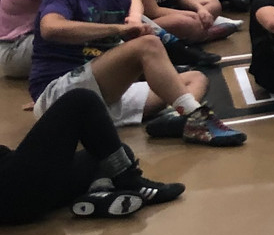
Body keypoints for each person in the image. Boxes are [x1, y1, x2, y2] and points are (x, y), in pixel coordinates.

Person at [31, 0, 242, 144]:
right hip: (60, 95)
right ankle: (196, 119)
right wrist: (118, 30)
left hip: (101, 92)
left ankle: (176, 120)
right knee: (147, 44)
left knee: (194, 78)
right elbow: (51, 28)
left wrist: (134, 27)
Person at [0, 86, 185, 224]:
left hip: (17, 187)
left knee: (112, 152)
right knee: (81, 100)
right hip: (11, 190)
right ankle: (130, 182)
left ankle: (100, 192)